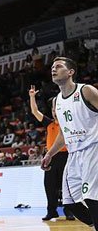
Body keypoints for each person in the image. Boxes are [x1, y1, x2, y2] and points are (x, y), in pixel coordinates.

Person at [42, 57, 98, 228]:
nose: (53, 69)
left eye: (58, 66)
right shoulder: (57, 101)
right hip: (73, 154)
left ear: (71, 72)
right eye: (52, 67)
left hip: (93, 149)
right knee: (70, 202)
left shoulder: (86, 91)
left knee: (91, 197)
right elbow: (63, 133)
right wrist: (50, 153)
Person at [29, 85, 78, 221]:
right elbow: (34, 111)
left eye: (56, 108)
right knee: (49, 186)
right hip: (51, 157)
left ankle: (69, 211)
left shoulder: (68, 123)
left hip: (66, 156)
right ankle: (52, 211)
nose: (54, 111)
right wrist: (32, 96)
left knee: (67, 186)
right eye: (53, 109)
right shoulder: (49, 123)